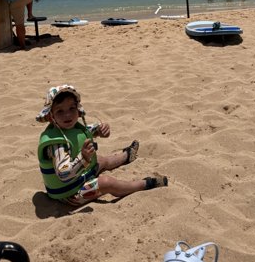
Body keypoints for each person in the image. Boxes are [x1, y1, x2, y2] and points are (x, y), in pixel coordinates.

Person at [37, 85, 168, 206]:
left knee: (100, 159)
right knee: (106, 183)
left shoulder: (69, 126)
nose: (68, 114)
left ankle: (126, 156)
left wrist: (100, 130)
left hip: (80, 177)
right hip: (70, 194)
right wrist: (83, 158)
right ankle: (143, 184)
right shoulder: (56, 144)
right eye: (60, 111)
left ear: (78, 109)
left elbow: (83, 132)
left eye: (72, 108)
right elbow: (64, 174)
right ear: (51, 116)